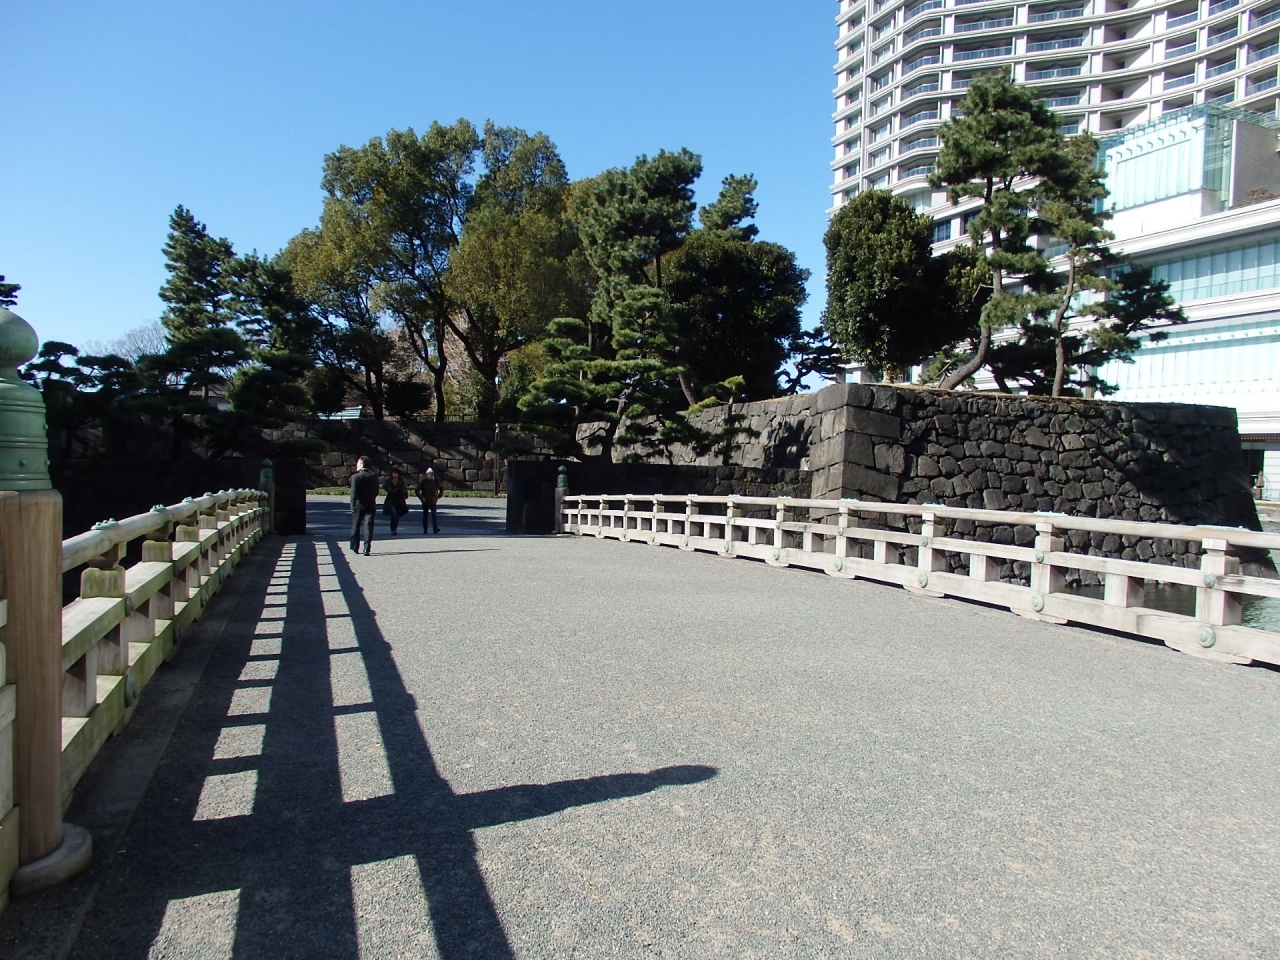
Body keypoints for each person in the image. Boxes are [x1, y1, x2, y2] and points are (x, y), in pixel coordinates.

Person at [349, 456, 379, 555]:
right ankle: (367, 548)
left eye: (358, 463)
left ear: (361, 464)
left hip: (359, 504)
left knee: (356, 526)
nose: (356, 465)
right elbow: (376, 491)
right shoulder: (374, 476)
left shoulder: (356, 477)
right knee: (368, 526)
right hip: (370, 504)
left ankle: (354, 546)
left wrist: (352, 506)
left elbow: (354, 493)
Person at [382, 468, 410, 535]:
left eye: (396, 473)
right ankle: (393, 529)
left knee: (397, 515)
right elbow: (385, 487)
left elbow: (404, 490)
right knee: (394, 514)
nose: (395, 475)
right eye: (394, 473)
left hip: (399, 501)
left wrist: (404, 495)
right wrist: (392, 491)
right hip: (391, 500)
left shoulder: (401, 481)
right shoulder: (389, 481)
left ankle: (394, 529)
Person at [417, 467, 442, 534]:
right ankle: (425, 529)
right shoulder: (424, 481)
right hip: (425, 501)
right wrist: (422, 498)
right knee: (425, 516)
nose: (430, 475)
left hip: (433, 501)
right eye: (429, 474)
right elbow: (417, 490)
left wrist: (439, 495)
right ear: (426, 475)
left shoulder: (435, 481)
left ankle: (435, 529)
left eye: (431, 474)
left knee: (434, 515)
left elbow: (441, 488)